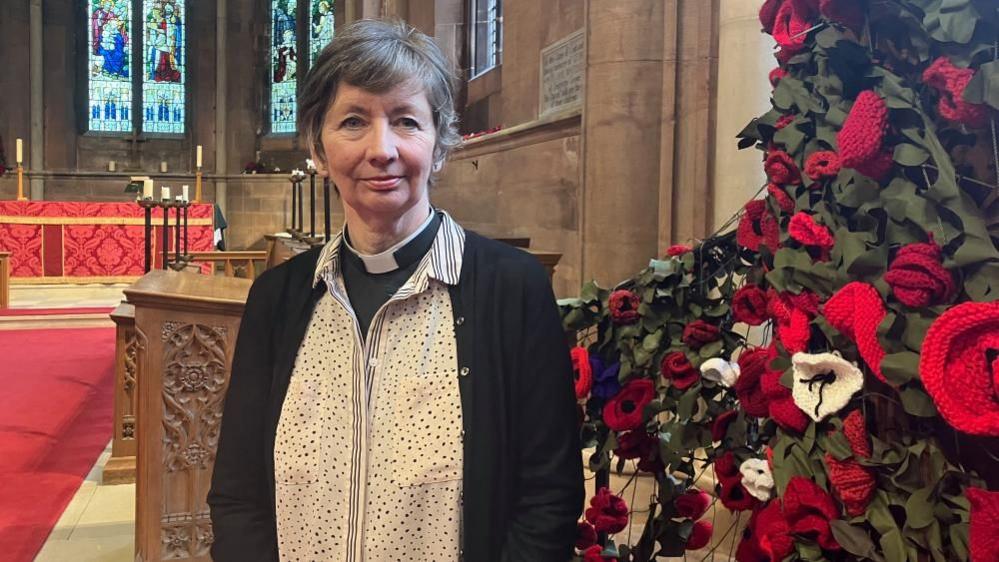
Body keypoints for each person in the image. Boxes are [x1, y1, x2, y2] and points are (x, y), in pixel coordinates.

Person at [208, 19, 584, 562]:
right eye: (354, 120)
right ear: (318, 146)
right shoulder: (277, 298)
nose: (381, 149)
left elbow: (547, 497)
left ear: (439, 144)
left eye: (406, 121)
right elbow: (238, 492)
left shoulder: (512, 290)